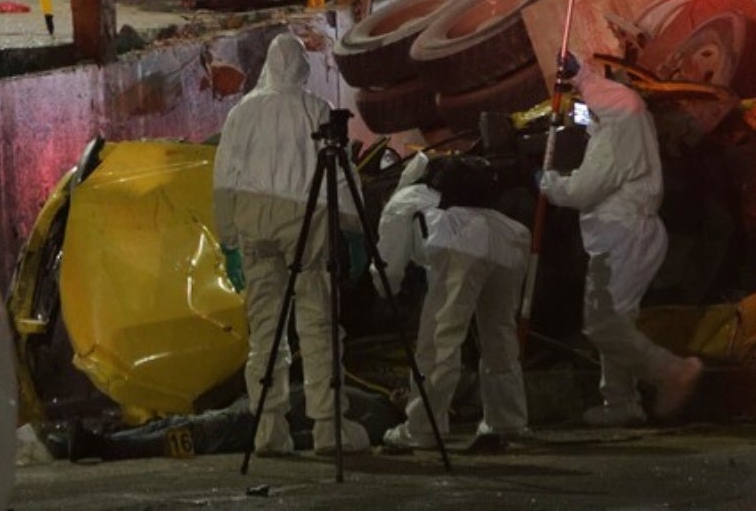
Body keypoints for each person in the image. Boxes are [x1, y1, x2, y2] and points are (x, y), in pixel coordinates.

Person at [211, 32, 372, 457]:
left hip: (255, 223)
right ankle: (328, 427)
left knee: (265, 330)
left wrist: (229, 242)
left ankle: (268, 430)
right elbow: (340, 177)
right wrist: (355, 232)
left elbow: (224, 181)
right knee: (317, 324)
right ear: (303, 68)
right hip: (305, 222)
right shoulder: (315, 110)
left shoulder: (242, 114)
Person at [537, 54, 703, 427]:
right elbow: (604, 94)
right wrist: (580, 75)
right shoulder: (631, 116)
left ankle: (671, 371)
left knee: (602, 324)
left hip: (621, 236)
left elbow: (582, 190)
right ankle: (620, 402)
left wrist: (549, 184)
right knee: (617, 322)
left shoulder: (614, 137)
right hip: (631, 233)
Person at [376, 153, 530, 449]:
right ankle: (508, 420)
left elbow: (388, 262)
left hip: (459, 243)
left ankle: (424, 427)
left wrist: (386, 289)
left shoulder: (402, 200)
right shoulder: (449, 200)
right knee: (499, 333)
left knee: (439, 339)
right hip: (509, 240)